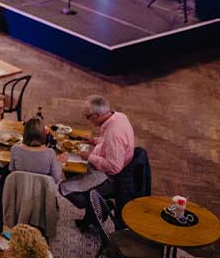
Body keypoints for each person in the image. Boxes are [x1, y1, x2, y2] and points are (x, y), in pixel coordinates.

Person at [60, 95, 135, 229]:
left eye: (88, 116)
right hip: (113, 167)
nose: (87, 119)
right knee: (71, 170)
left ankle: (99, 206)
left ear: (98, 115)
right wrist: (94, 141)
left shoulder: (114, 134)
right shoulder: (118, 117)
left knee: (64, 188)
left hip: (112, 178)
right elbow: (109, 144)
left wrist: (89, 157)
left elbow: (114, 167)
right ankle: (92, 212)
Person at [9, 118, 63, 183]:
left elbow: (12, 172)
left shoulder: (15, 149)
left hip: (20, 187)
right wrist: (60, 163)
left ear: (25, 132)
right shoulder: (50, 153)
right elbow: (56, 179)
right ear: (43, 134)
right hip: (42, 189)